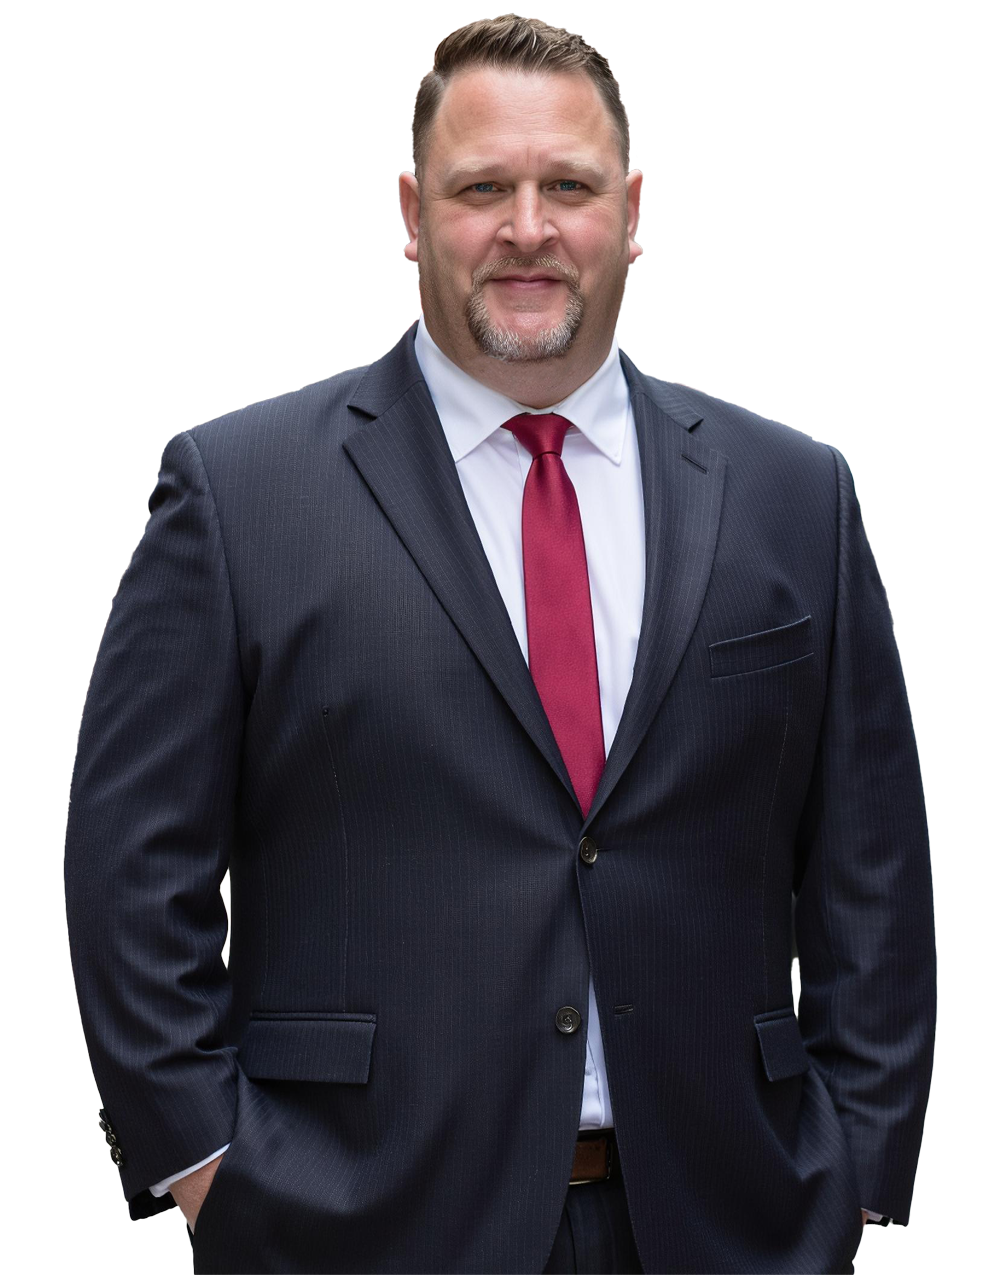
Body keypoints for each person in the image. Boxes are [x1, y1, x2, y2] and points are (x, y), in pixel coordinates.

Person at [65, 14, 935, 1274]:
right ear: (413, 219)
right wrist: (210, 1161)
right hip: (358, 1227)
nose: (528, 227)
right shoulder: (238, 494)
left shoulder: (792, 494)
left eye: (567, 186)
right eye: (484, 189)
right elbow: (129, 868)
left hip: (727, 1222)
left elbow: (873, 870)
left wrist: (856, 1171)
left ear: (629, 212)